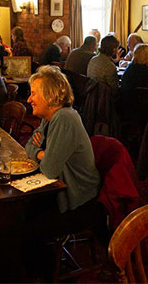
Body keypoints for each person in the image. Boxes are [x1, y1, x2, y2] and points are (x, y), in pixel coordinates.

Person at [25, 65, 100, 234]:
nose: (29, 99)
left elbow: (49, 170)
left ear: (50, 94)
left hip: (78, 202)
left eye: (33, 93)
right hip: (60, 190)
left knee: (26, 224)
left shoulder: (64, 118)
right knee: (19, 211)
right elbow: (28, 146)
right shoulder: (48, 118)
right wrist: (41, 153)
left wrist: (43, 154)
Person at [120, 43, 148, 116]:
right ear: (146, 56)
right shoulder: (145, 71)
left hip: (124, 102)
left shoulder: (131, 67)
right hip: (137, 107)